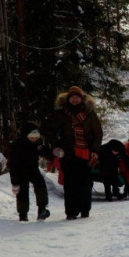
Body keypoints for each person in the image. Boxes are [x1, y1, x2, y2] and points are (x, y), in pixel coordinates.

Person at [44, 86, 103, 220]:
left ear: (81, 99)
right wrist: (55, 146)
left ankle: (84, 210)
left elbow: (98, 133)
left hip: (85, 153)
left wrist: (95, 151)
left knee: (85, 183)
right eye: (72, 97)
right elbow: (50, 131)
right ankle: (71, 211)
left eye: (77, 97)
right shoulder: (60, 114)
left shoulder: (90, 113)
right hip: (67, 153)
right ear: (68, 99)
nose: (75, 99)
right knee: (70, 183)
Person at [9, 122, 50, 221]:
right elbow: (13, 164)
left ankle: (42, 209)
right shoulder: (17, 145)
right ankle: (23, 215)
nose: (34, 139)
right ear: (26, 135)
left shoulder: (38, 144)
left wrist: (53, 154)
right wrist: (14, 180)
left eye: (36, 137)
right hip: (19, 172)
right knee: (22, 192)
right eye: (32, 137)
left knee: (40, 184)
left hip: (33, 169)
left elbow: (45, 152)